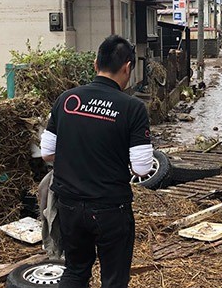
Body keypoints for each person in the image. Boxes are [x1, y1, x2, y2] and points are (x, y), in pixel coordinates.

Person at [40, 35, 153, 288]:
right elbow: (142, 167)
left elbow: (47, 153)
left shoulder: (67, 100)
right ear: (127, 67)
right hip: (110, 208)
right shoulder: (132, 107)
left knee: (75, 271)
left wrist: (79, 153)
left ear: (95, 64)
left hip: (69, 204)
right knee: (113, 279)